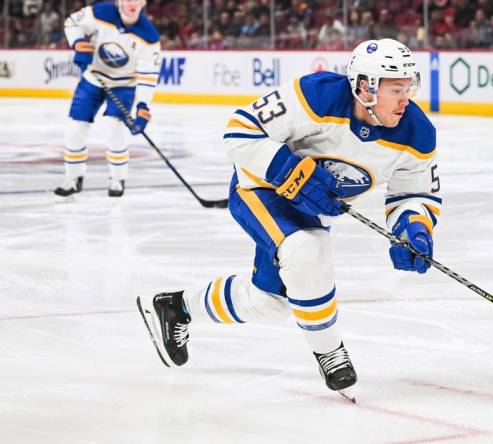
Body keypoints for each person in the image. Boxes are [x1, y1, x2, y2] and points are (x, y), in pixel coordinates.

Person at [136, 39, 441, 397]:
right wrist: (292, 172)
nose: (406, 99)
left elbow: (413, 194)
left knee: (272, 300)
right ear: (364, 87)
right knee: (306, 249)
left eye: (409, 87)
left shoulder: (418, 134)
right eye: (396, 90)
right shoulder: (317, 96)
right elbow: (240, 130)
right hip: (260, 187)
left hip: (308, 209)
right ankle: (330, 352)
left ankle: (175, 307)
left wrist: (413, 228)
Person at [54, 0, 161, 199]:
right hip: (93, 77)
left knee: (114, 127)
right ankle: (73, 178)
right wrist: (78, 43)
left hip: (124, 85)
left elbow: (148, 75)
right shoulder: (101, 12)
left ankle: (117, 178)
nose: (133, 3)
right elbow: (71, 23)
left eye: (137, 0)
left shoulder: (149, 36)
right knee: (76, 127)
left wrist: (143, 106)